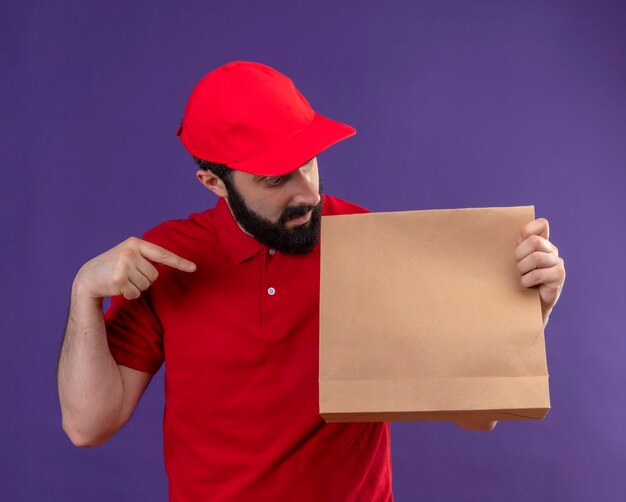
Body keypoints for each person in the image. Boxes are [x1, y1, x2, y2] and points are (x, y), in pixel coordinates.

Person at [57, 61, 566, 501]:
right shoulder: (167, 259)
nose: (307, 193)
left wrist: (525, 314)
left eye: (309, 162)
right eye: (276, 179)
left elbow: (475, 415)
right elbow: (88, 425)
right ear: (213, 182)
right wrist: (83, 294)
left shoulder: (368, 242)